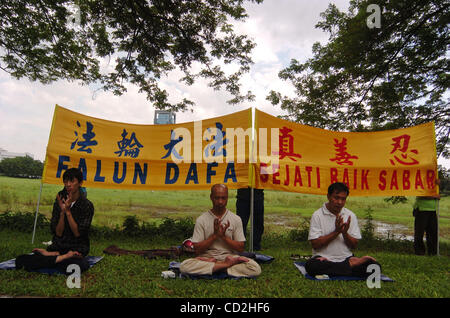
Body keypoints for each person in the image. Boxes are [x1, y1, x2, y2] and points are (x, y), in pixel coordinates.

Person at [15, 168, 94, 273]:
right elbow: (58, 233)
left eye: (72, 181)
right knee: (20, 260)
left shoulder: (86, 205)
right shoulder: (59, 201)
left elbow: (78, 233)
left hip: (76, 249)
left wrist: (68, 212)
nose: (68, 184)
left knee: (76, 266)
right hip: (58, 246)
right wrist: (62, 213)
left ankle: (53, 257)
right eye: (66, 181)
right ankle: (58, 256)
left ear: (80, 183)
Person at [180, 184, 261, 278]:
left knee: (255, 268)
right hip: (207, 258)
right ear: (211, 197)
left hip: (229, 257)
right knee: (184, 266)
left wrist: (223, 237)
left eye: (223, 198)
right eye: (216, 198)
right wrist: (214, 236)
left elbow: (240, 248)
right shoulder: (201, 220)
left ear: (227, 198)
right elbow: (197, 250)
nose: (220, 202)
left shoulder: (236, 219)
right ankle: (225, 267)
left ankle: (214, 268)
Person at [304, 182, 380, 278]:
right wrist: (336, 232)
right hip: (323, 259)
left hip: (346, 258)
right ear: (328, 196)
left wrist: (344, 233)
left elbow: (354, 245)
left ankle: (343, 266)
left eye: (343, 199)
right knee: (312, 266)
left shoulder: (350, 215)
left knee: (375, 267)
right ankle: (351, 265)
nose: (339, 202)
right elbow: (315, 245)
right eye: (336, 198)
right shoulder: (318, 215)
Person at [413, 179, 440, 255]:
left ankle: (432, 253)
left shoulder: (434, 181)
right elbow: (419, 194)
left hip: (432, 210)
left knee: (433, 232)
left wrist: (437, 185)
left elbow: (436, 193)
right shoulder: (419, 180)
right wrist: (434, 196)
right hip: (421, 209)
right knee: (419, 233)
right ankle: (419, 252)